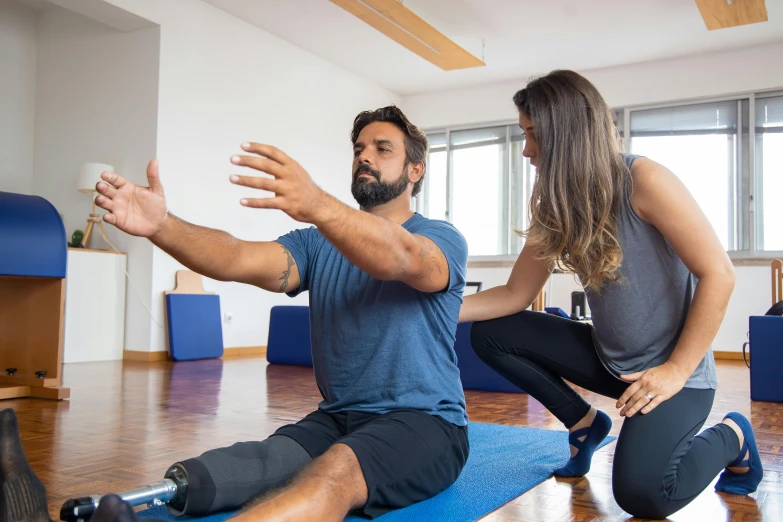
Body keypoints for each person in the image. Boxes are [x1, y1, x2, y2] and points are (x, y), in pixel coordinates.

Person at [0, 106, 470, 522]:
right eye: (359, 147)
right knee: (226, 472)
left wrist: (317, 204)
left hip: (426, 423)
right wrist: (162, 226)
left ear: (415, 170)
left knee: (336, 474)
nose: (364, 155)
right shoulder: (318, 244)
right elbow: (235, 257)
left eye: (381, 148)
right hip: (337, 418)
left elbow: (400, 259)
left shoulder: (441, 239)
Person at [461, 70, 763, 520]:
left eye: (532, 134)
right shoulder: (558, 203)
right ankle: (585, 425)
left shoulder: (644, 179)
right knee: (491, 333)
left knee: (644, 494)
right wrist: (437, 309)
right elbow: (514, 293)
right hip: (609, 360)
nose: (525, 150)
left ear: (565, 132)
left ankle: (734, 434)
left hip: (672, 377)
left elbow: (718, 273)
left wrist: (677, 370)